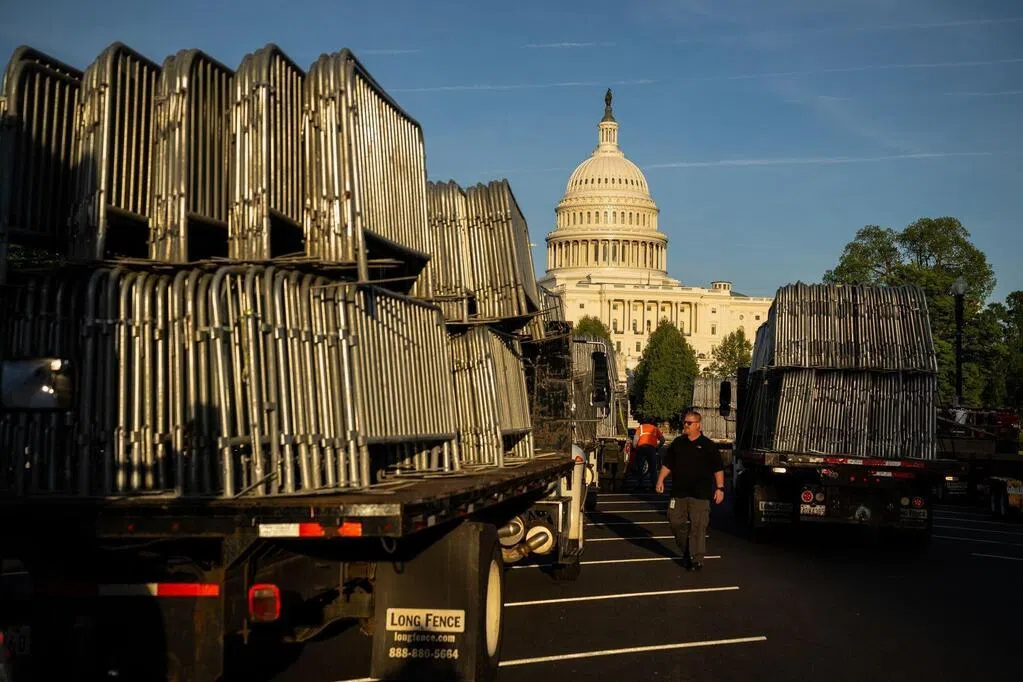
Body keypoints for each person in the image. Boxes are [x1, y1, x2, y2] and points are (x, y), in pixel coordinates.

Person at [656, 409, 724, 571]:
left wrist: (720, 488)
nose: (685, 425)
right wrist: (660, 480)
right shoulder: (678, 443)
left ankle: (696, 558)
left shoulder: (708, 446)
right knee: (674, 521)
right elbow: (668, 464)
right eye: (684, 422)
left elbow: (718, 469)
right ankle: (687, 550)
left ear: (698, 425)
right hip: (678, 493)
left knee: (698, 526)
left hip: (700, 494)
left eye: (689, 423)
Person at [632, 420, 664, 492]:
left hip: (641, 448)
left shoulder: (640, 428)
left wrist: (635, 448)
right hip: (651, 449)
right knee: (653, 468)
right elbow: (663, 440)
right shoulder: (655, 428)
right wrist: (657, 447)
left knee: (640, 467)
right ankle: (654, 485)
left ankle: (641, 485)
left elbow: (635, 440)